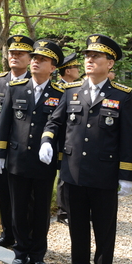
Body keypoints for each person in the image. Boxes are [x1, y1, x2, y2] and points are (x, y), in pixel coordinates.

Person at [41, 34, 132, 264]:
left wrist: (126, 174)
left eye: (96, 56)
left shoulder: (122, 95)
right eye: (87, 56)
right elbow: (55, 122)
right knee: (77, 226)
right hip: (72, 172)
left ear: (110, 63)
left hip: (104, 174)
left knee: (104, 230)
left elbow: (128, 138)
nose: (89, 60)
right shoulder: (71, 91)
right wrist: (47, 141)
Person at [0, 39, 64, 264]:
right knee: (18, 208)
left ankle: (37, 254)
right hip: (17, 160)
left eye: (42, 59)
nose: (35, 62)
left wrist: (61, 160)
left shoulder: (61, 94)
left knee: (42, 210)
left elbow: (62, 130)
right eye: (34, 58)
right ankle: (20, 252)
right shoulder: (16, 88)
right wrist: (0, 153)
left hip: (44, 163)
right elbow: (4, 124)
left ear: (53, 67)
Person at [0, 34, 34, 248]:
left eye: (20, 54)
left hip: (24, 150)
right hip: (1, 150)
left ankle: (27, 235)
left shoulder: (35, 83)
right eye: (11, 53)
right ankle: (7, 232)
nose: (14, 57)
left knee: (27, 197)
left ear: (29, 58)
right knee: (3, 193)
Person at [55, 52, 82, 224]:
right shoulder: (59, 88)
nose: (79, 69)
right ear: (67, 70)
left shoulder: (76, 88)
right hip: (59, 140)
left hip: (71, 139)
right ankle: (62, 212)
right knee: (63, 178)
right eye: (76, 67)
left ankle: (69, 209)